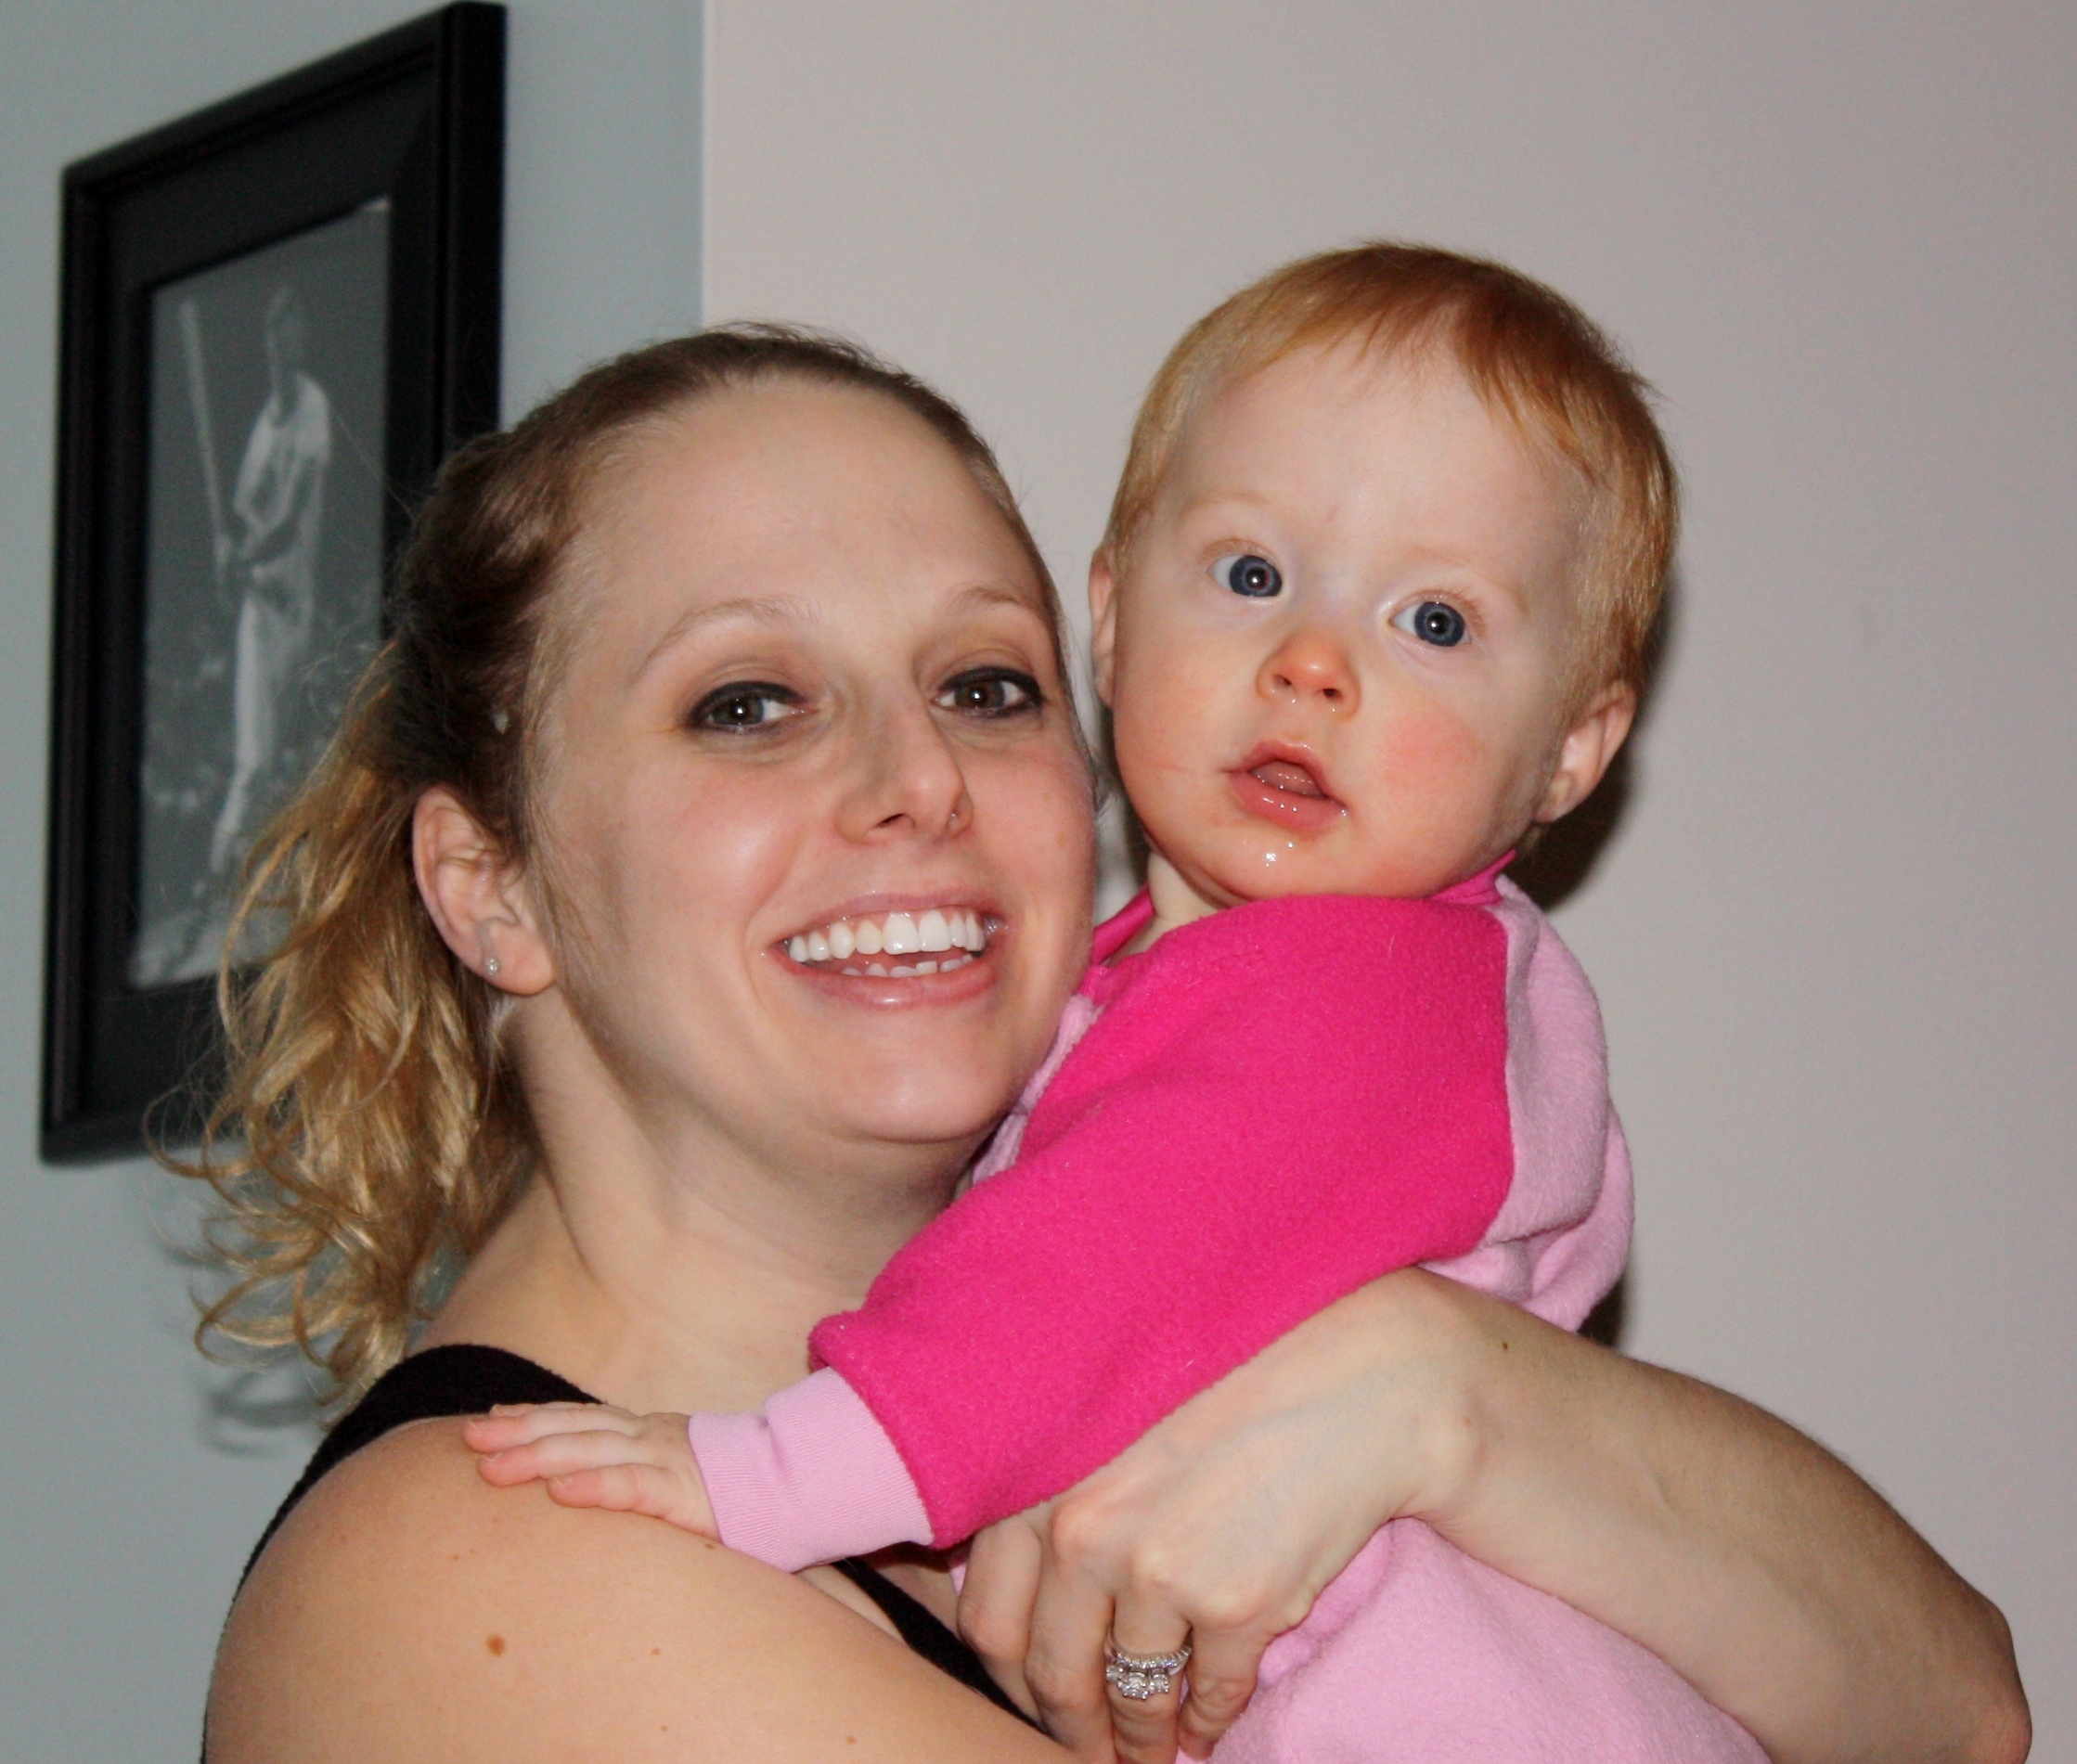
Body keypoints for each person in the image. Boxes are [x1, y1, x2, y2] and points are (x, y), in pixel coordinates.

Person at [186, 325, 2027, 1764]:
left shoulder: (1165, 1393)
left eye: (986, 684)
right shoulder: (488, 1566)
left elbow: (1958, 1709)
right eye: (747, 702)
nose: (916, 779)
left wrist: (1441, 1398)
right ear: (491, 882)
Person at [463, 244, 1759, 1763]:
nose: (1311, 664)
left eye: (1434, 622)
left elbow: (1063, 1293)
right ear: (1116, 622)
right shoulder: (1192, 986)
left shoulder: (1373, 1006)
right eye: (1252, 576)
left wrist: (753, 1475)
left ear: (1571, 749)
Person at [211, 282, 330, 881]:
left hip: (295, 603)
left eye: (297, 327)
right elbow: (242, 515)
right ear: (268, 341)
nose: (289, 341)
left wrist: (246, 553)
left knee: (294, 750)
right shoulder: (264, 425)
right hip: (262, 609)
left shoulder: (312, 407)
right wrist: (227, 553)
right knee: (257, 756)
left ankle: (268, 871)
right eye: (280, 329)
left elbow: (286, 522)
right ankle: (224, 871)